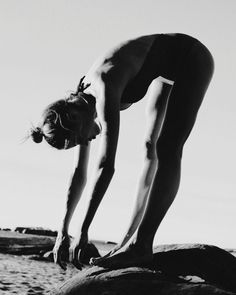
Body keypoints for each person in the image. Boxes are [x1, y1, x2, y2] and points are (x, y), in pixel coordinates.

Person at [30, 33, 214, 270]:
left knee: (168, 147)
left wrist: (83, 231)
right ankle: (129, 241)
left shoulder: (104, 86)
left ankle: (141, 245)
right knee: (150, 148)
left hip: (191, 56)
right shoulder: (81, 104)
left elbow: (106, 166)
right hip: (163, 72)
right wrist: (63, 230)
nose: (88, 140)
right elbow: (79, 173)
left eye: (80, 139)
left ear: (74, 118)